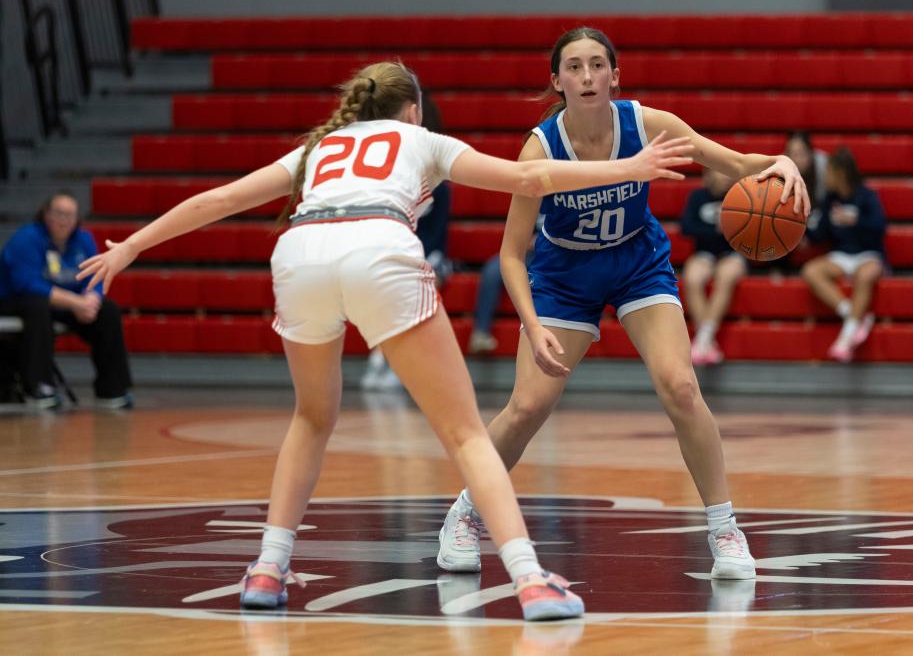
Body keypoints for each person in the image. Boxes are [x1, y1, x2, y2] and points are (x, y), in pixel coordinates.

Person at [77, 61, 696, 620]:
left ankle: (267, 568)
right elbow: (529, 178)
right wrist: (628, 168)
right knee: (464, 433)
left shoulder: (319, 148)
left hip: (299, 253)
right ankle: (531, 581)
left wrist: (132, 245)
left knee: (312, 418)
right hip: (377, 244)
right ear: (412, 110)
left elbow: (222, 198)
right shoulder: (421, 139)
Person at [437, 28, 810, 582]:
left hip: (637, 261)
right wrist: (532, 324)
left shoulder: (646, 125)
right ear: (557, 81)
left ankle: (725, 529)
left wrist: (781, 161)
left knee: (681, 386)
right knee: (527, 407)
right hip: (563, 275)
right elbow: (512, 255)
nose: (586, 77)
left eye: (596, 66)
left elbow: (729, 163)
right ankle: (465, 513)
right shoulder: (540, 148)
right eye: (574, 67)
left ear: (615, 75)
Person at [0, 192, 133, 409]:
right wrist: (75, 302)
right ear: (46, 215)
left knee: (107, 310)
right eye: (59, 213)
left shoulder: (84, 240)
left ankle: (112, 389)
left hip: (66, 304)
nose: (64, 220)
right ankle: (39, 387)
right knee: (37, 304)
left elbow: (96, 276)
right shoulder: (26, 239)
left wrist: (92, 298)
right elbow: (27, 284)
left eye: (70, 215)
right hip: (18, 303)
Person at [361, 91, 452, 390]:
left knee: (416, 285)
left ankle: (399, 365)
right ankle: (382, 355)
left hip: (432, 256)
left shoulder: (438, 182)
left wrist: (419, 259)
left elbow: (437, 234)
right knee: (385, 283)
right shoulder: (391, 177)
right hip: (399, 253)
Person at [801, 147, 886, 363]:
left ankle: (845, 339)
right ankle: (853, 316)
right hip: (841, 254)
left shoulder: (867, 196)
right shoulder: (830, 199)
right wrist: (800, 232)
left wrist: (855, 221)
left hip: (868, 253)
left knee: (866, 275)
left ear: (840, 173)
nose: (825, 177)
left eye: (829, 172)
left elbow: (879, 228)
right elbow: (820, 233)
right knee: (811, 271)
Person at [680, 169, 745, 365]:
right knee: (691, 277)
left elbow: (752, 230)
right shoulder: (698, 196)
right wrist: (715, 230)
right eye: (720, 172)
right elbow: (686, 227)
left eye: (727, 172)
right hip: (704, 253)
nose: (726, 175)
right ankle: (707, 343)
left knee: (725, 276)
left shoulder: (741, 196)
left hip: (732, 253)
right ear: (709, 175)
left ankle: (703, 339)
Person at [468, 214, 544, 355]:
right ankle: (481, 332)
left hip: (557, 257)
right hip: (528, 253)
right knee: (492, 269)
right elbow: (518, 236)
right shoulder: (533, 195)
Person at [784, 131, 828, 208]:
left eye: (801, 153)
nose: (797, 160)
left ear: (811, 153)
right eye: (792, 154)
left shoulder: (824, 165)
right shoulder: (782, 165)